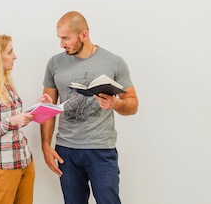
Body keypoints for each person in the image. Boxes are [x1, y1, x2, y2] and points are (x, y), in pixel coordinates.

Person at [40, 11, 139, 204]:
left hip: (101, 149)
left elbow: (133, 104)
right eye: (60, 38)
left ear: (83, 35)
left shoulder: (114, 62)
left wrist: (116, 103)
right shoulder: (54, 63)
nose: (62, 44)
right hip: (66, 151)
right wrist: (45, 145)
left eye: (66, 38)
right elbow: (48, 107)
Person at [0, 33, 52, 204]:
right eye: (10, 52)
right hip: (1, 166)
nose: (15, 57)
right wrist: (12, 122)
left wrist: (37, 107)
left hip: (23, 161)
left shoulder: (6, 86)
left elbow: (11, 117)